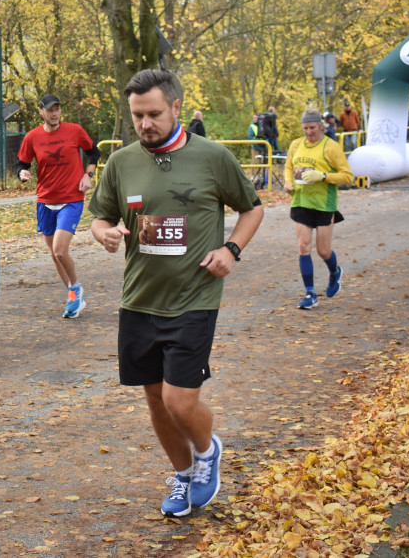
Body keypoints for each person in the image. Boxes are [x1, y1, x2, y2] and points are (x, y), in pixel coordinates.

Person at [87, 69, 264, 519]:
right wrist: (103, 234)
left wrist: (231, 249)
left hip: (194, 298)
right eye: (137, 116)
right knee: (154, 399)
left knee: (178, 400)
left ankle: (207, 451)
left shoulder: (213, 157)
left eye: (153, 114)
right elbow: (100, 218)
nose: (145, 124)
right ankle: (183, 475)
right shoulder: (122, 162)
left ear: (176, 107)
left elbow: (252, 209)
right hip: (139, 300)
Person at [14, 94, 101, 319]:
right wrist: (21, 173)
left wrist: (88, 174)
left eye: (57, 109)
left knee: (60, 251)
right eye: (50, 110)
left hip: (71, 199)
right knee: (55, 255)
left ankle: (75, 289)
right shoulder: (32, 137)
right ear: (41, 111)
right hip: (45, 201)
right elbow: (21, 163)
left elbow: (94, 152)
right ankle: (73, 296)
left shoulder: (75, 131)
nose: (54, 114)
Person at [283, 108, 353, 310]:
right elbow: (288, 166)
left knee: (323, 251)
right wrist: (288, 182)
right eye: (305, 128)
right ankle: (310, 293)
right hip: (300, 201)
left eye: (312, 128)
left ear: (321, 126)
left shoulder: (331, 147)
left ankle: (335, 272)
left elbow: (348, 176)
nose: (309, 132)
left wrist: (322, 176)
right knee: (303, 247)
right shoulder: (296, 144)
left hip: (323, 204)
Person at [247, 113, 266, 188]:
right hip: (255, 147)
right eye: (253, 118)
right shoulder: (252, 126)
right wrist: (256, 144)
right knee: (255, 161)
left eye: (255, 118)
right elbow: (250, 137)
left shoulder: (262, 126)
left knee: (261, 161)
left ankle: (260, 175)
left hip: (262, 146)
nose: (254, 119)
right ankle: (253, 175)